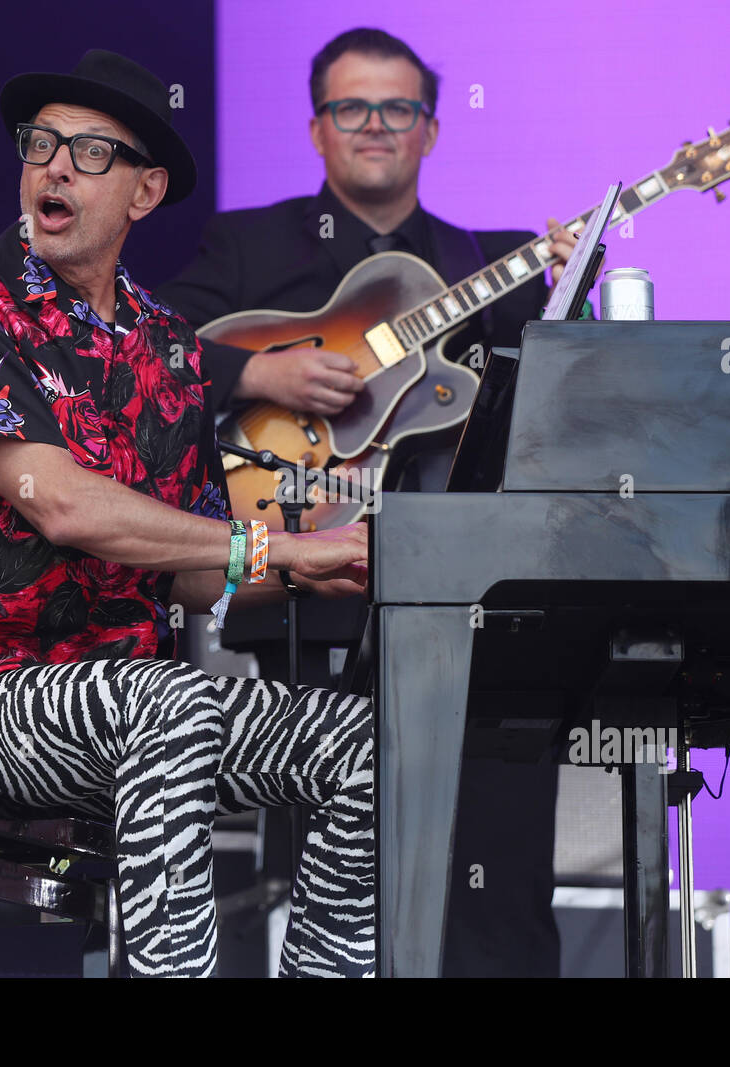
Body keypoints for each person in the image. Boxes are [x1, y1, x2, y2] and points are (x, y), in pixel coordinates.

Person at [0, 49, 374, 978]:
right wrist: (274, 544)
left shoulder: (171, 349)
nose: (54, 167)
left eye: (89, 153)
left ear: (144, 193)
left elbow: (189, 565)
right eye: (41, 144)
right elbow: (61, 504)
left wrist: (326, 558)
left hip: (132, 705)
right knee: (170, 703)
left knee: (363, 745)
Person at [157, 27, 582, 977]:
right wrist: (262, 368)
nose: (376, 126)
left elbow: (561, 396)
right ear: (317, 130)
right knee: (329, 892)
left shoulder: (492, 260)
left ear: (430, 131)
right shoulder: (250, 243)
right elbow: (147, 347)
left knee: (500, 890)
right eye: (352, 108)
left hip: (476, 616)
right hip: (310, 607)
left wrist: (571, 287)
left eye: (399, 108)